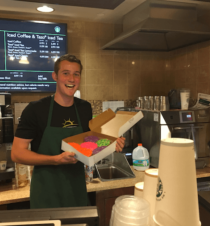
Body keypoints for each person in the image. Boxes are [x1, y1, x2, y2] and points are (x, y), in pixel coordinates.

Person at [11, 54, 125, 209]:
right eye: (66, 73)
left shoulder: (84, 108)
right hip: (46, 193)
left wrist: (112, 143)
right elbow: (17, 153)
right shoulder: (36, 109)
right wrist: (55, 160)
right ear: (55, 76)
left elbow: (89, 146)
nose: (71, 79)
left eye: (76, 74)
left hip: (76, 190)